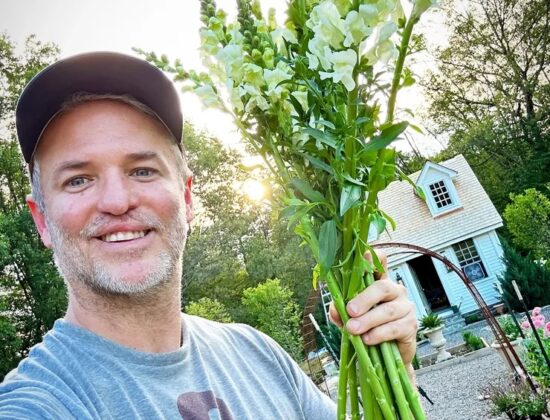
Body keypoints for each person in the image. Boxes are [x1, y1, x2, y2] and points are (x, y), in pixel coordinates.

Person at [0, 52, 418, 419]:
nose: (116, 200)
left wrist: (394, 369)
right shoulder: (41, 403)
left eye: (142, 170)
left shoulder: (258, 355)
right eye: (78, 180)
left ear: (186, 197)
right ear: (42, 221)